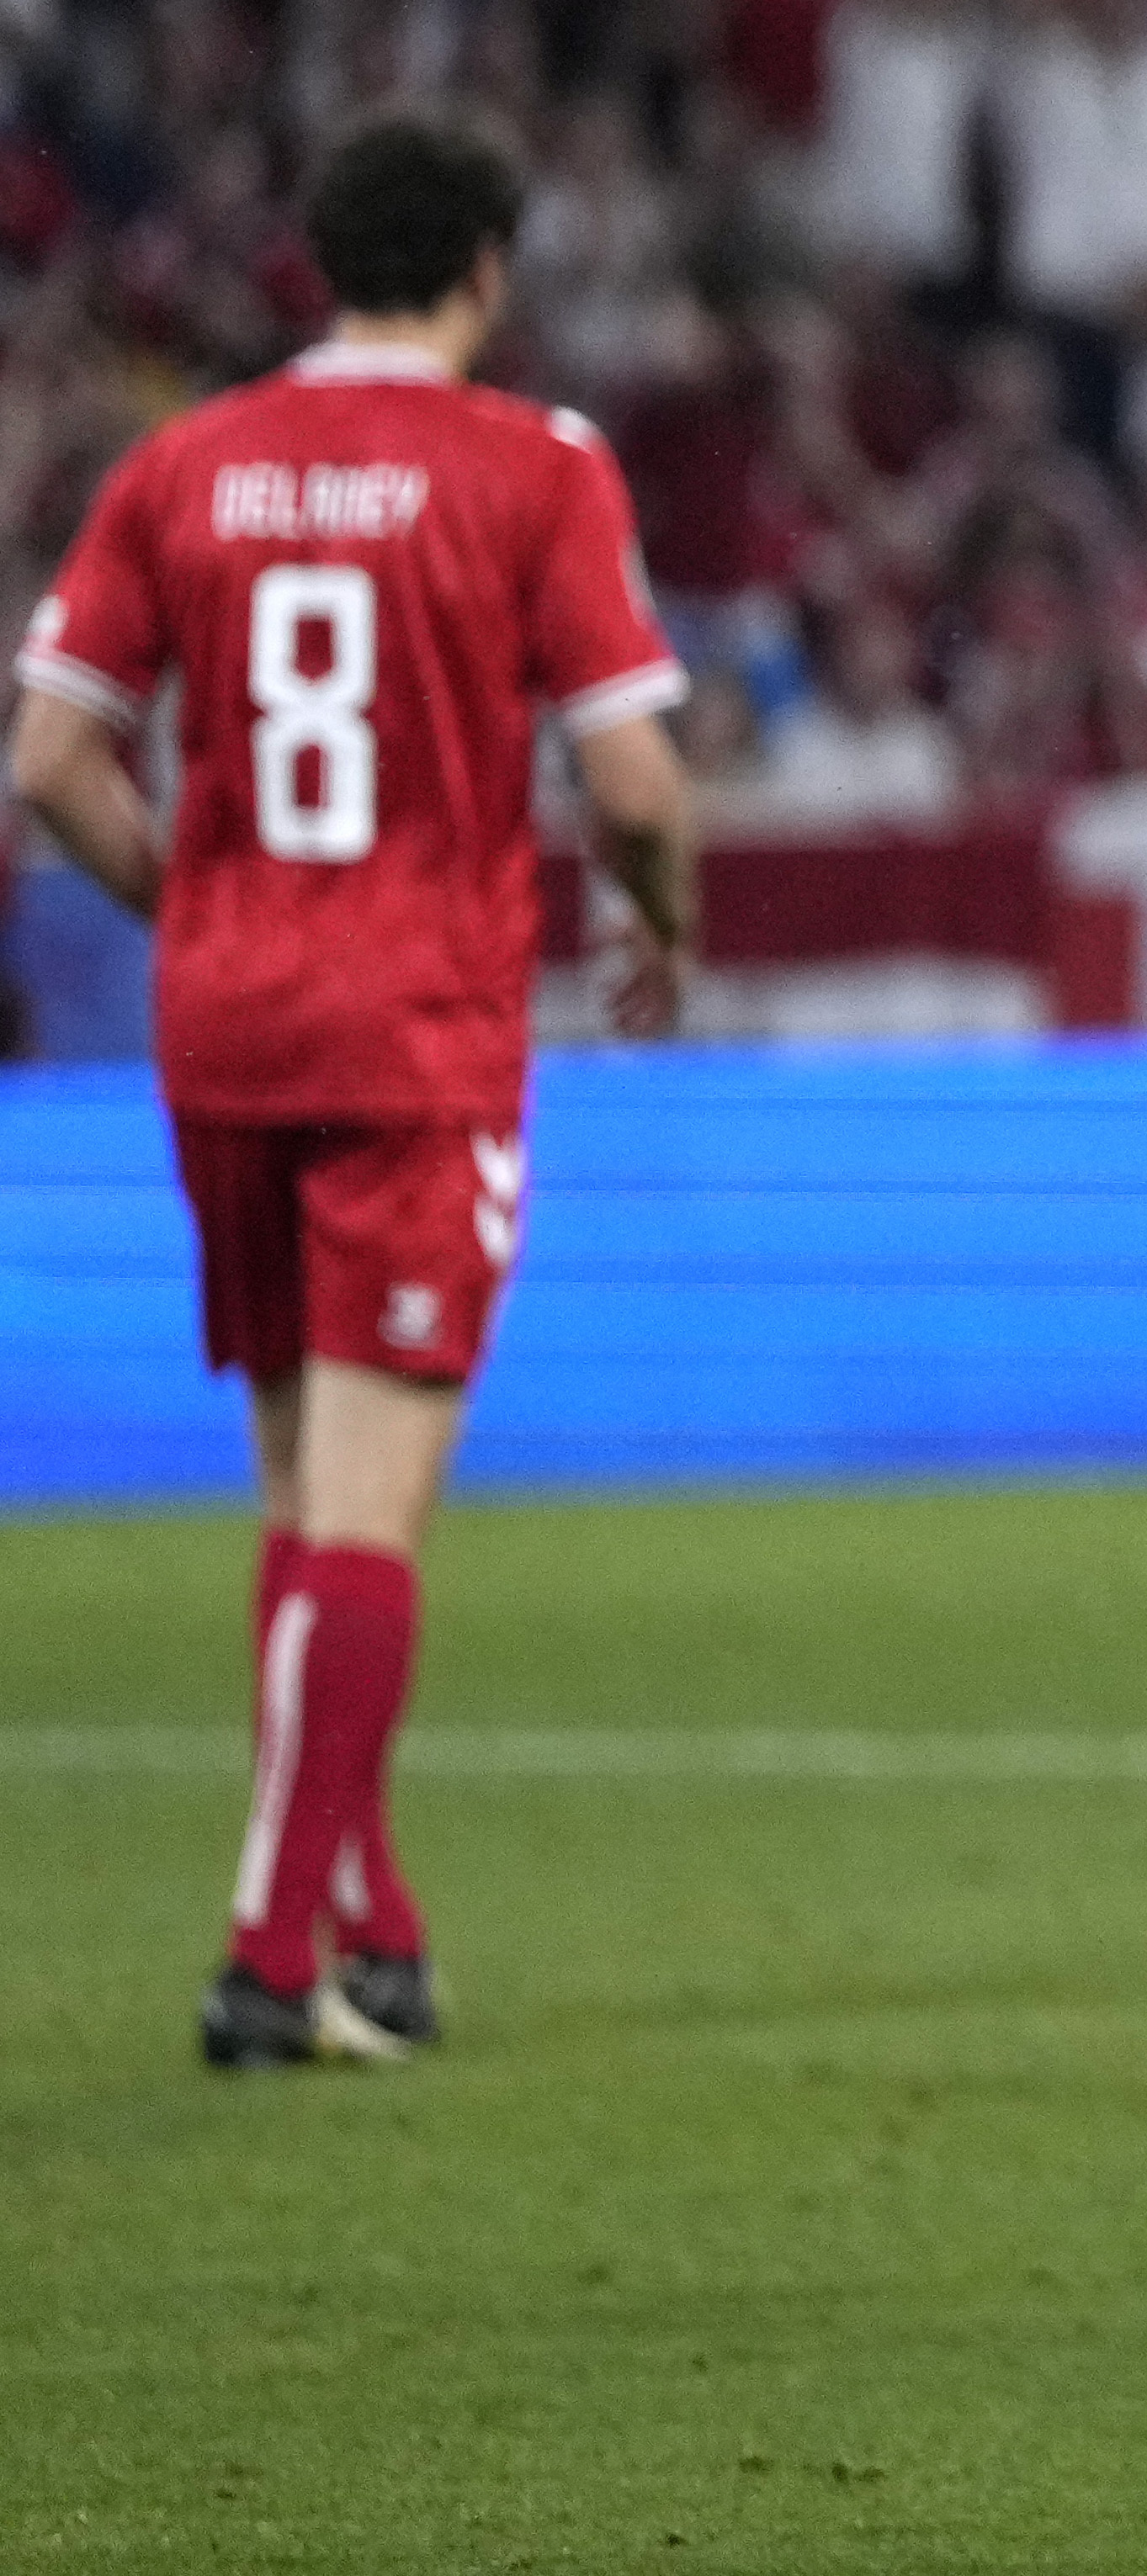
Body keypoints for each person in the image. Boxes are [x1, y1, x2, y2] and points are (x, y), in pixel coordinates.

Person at [9, 107, 700, 2069]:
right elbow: (635, 779)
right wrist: (662, 917)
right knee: (372, 1514)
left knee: (309, 1489)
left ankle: (366, 1918)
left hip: (223, 1029)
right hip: (411, 1030)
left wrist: (193, 898)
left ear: (321, 267)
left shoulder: (184, 465)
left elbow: (51, 757)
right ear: (486, 266)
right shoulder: (534, 466)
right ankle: (265, 1960)